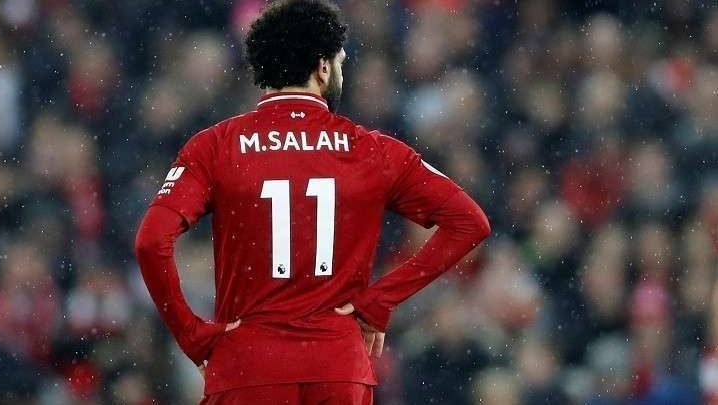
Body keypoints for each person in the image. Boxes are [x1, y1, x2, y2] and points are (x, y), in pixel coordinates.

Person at [133, 1, 490, 404]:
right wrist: (379, 300)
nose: (341, 71)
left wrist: (191, 334)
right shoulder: (371, 150)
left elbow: (150, 241)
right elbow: (469, 222)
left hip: (249, 366)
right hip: (337, 366)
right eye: (340, 62)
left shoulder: (215, 147)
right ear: (322, 68)